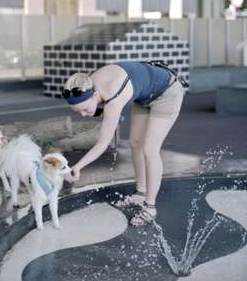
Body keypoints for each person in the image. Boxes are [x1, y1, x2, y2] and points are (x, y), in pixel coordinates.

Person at [62, 61, 185, 226]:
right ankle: (140, 193)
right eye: (79, 112)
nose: (84, 115)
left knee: (150, 150)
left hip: (167, 92)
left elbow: (103, 144)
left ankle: (150, 207)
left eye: (85, 109)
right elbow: (101, 108)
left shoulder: (113, 97)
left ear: (94, 94)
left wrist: (77, 167)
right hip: (144, 96)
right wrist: (101, 112)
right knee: (135, 143)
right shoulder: (86, 82)